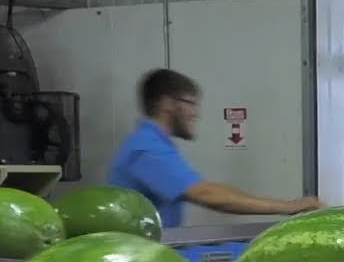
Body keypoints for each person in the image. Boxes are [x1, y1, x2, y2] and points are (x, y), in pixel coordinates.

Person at [108, 69, 321, 229]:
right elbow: (206, 193)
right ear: (167, 104)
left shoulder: (153, 143)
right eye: (190, 103)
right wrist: (288, 207)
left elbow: (206, 189)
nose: (196, 113)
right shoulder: (146, 149)